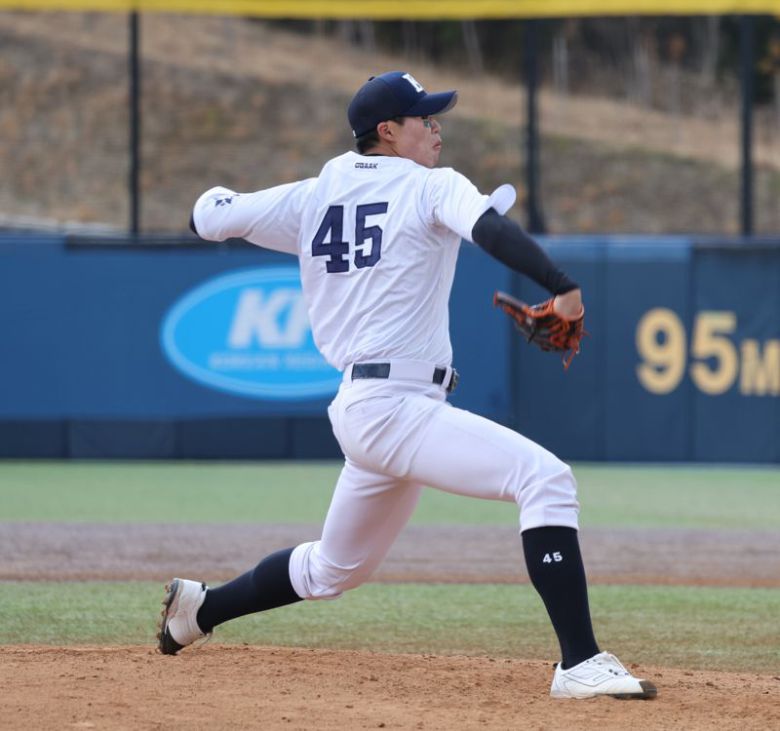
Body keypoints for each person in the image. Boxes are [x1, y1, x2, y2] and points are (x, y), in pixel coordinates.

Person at [158, 70, 656, 701]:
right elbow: (491, 231)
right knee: (546, 479)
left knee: (333, 569)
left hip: (368, 409)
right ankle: (579, 662)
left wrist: (224, 202)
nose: (437, 128)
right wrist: (561, 286)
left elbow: (210, 216)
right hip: (394, 409)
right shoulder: (429, 188)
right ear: (387, 132)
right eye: (425, 118)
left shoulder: (315, 195)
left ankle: (197, 611)